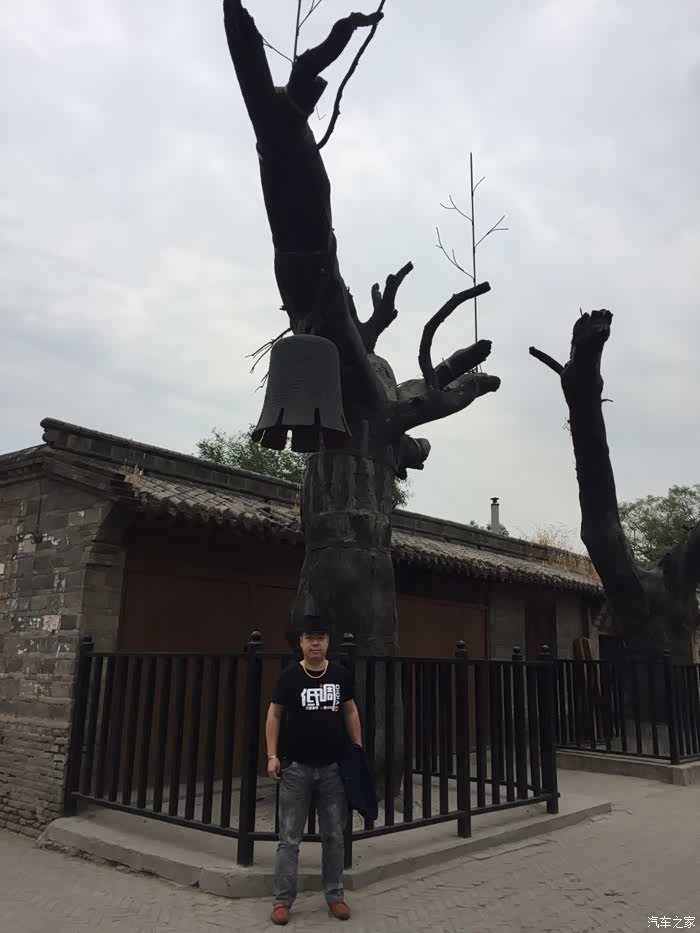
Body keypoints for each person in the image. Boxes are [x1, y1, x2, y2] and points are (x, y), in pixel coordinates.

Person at [266, 617, 362, 925]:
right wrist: (272, 755)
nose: (316, 643)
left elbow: (350, 710)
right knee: (289, 838)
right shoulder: (290, 676)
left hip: (332, 768)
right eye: (310, 638)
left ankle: (335, 895)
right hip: (296, 768)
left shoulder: (340, 675)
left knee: (334, 835)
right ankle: (282, 900)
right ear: (302, 643)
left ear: (328, 642)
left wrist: (357, 748)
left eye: (321, 637)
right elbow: (274, 714)